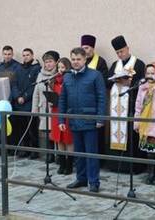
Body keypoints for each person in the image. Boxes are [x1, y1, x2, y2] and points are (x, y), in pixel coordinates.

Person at [61, 47, 107, 193]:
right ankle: (81, 179)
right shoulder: (67, 77)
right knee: (78, 153)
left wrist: (100, 118)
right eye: (73, 59)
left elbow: (101, 97)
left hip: (90, 120)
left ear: (85, 59)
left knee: (91, 153)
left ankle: (94, 182)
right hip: (74, 120)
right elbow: (63, 99)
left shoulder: (95, 75)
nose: (75, 62)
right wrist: (61, 120)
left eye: (78, 59)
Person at [106, 35, 146, 173]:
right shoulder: (115, 65)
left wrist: (130, 83)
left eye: (122, 51)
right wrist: (114, 80)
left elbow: (143, 82)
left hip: (131, 105)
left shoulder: (138, 64)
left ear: (127, 48)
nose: (120, 54)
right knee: (115, 132)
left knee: (130, 134)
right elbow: (108, 80)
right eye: (117, 52)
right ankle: (115, 165)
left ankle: (133, 168)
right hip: (115, 106)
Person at [80, 34, 109, 160]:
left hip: (95, 102)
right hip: (81, 103)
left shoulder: (101, 62)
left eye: (86, 48)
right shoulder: (80, 61)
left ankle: (98, 159)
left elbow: (103, 81)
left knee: (96, 133)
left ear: (92, 48)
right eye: (83, 48)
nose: (84, 50)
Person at [11, 48, 41, 158]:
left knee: (31, 129)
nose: (25, 57)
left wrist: (24, 97)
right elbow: (14, 84)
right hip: (19, 103)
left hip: (29, 103)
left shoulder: (36, 68)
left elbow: (34, 86)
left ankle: (34, 150)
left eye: (28, 55)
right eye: (23, 55)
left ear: (32, 55)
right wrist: (17, 96)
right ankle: (25, 149)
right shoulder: (18, 68)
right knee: (21, 129)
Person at [31, 51, 60, 163]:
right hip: (44, 108)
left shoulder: (59, 74)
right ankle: (49, 154)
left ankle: (58, 154)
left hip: (56, 108)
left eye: (50, 61)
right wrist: (35, 109)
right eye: (46, 62)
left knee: (56, 132)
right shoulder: (40, 75)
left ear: (56, 62)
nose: (48, 64)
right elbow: (36, 93)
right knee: (47, 133)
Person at [51, 58, 74, 175]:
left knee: (68, 139)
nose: (60, 70)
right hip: (55, 112)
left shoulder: (70, 80)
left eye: (63, 67)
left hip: (67, 112)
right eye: (59, 67)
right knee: (58, 139)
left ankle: (69, 165)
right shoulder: (54, 81)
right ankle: (62, 164)